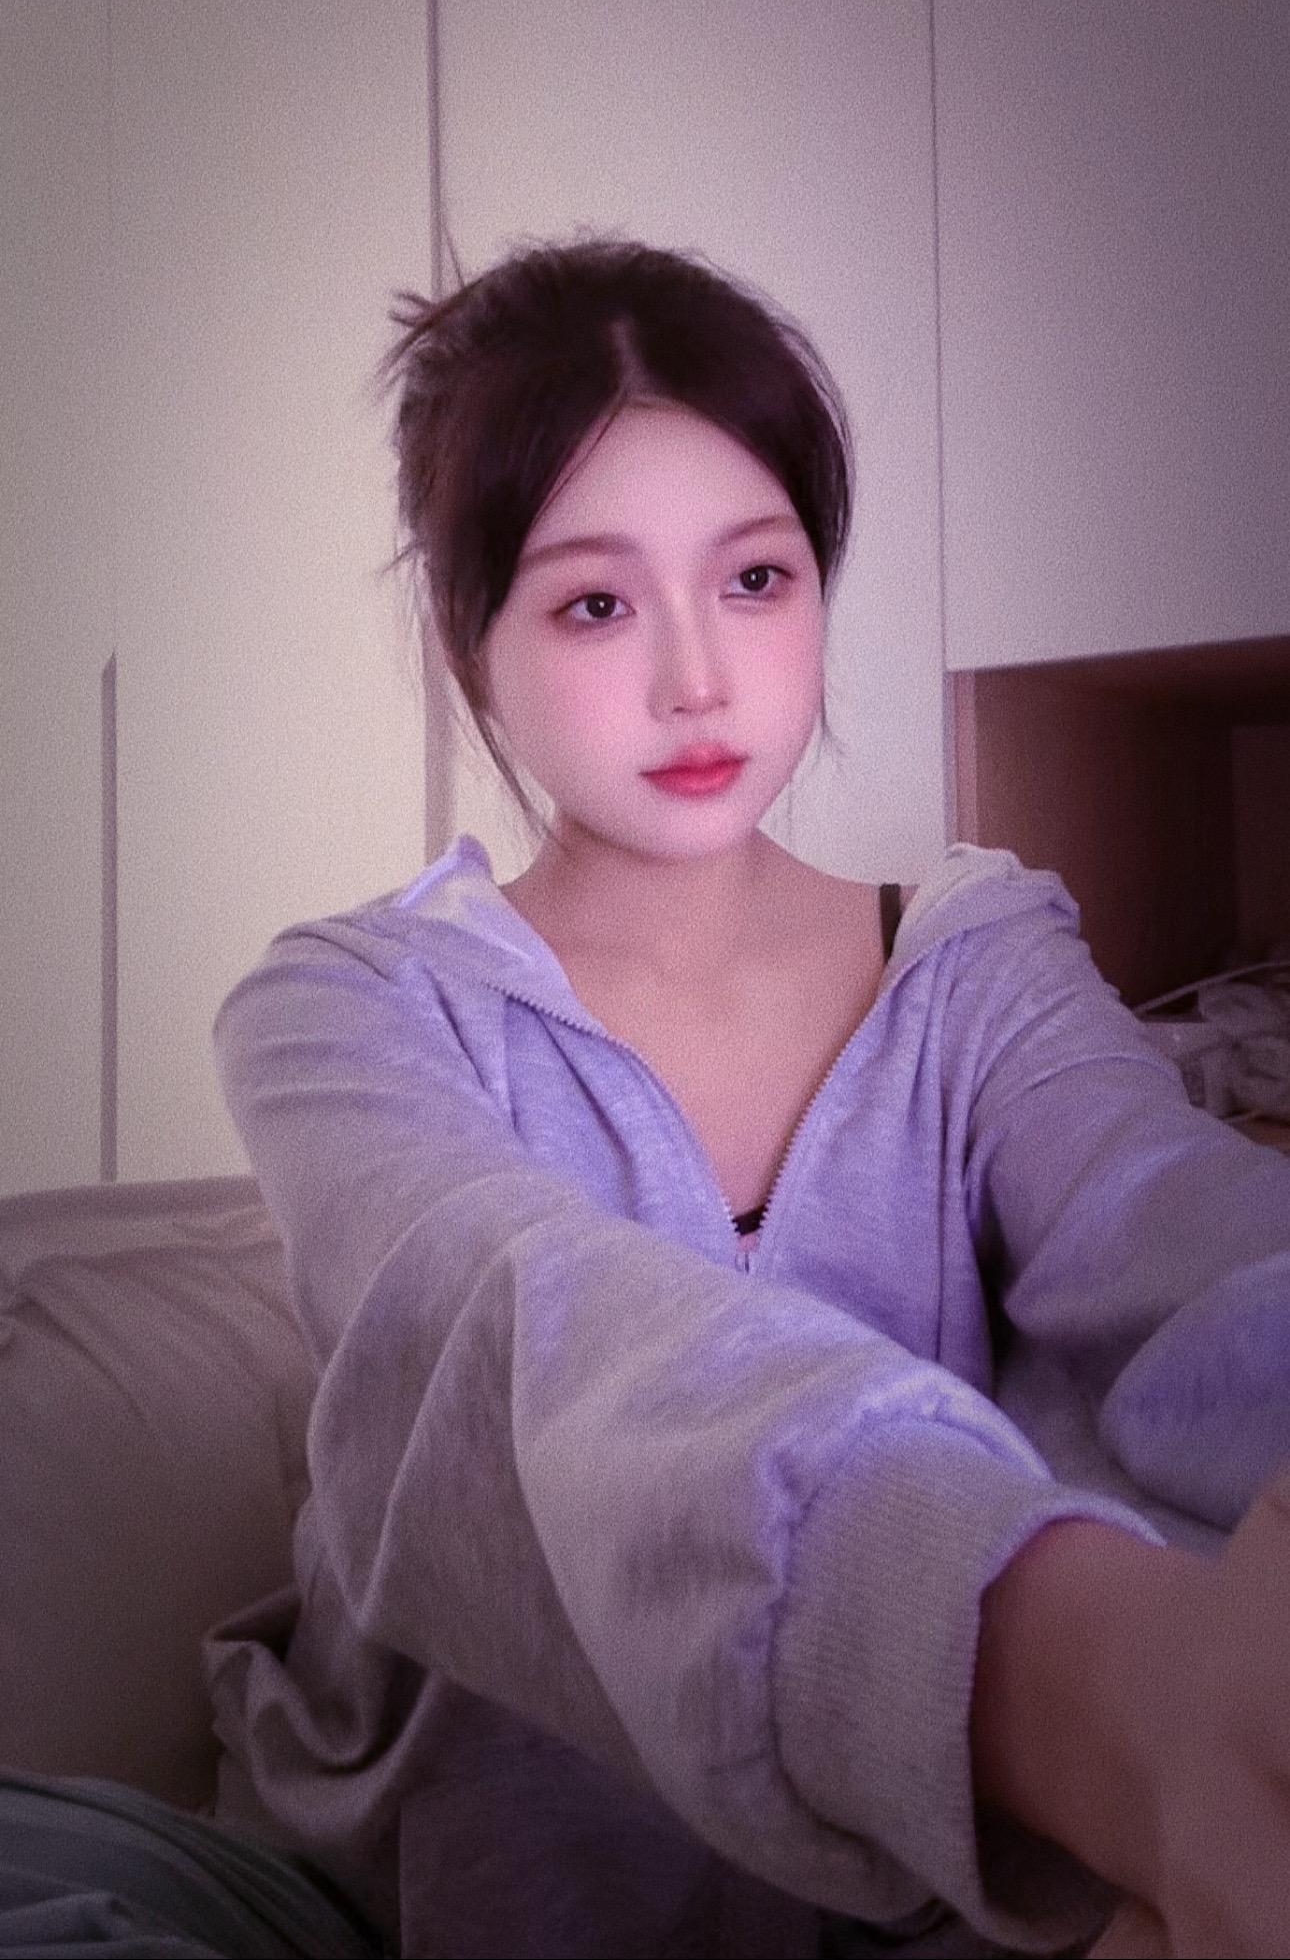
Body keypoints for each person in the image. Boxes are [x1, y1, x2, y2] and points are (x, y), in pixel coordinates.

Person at [4, 235, 1288, 1959]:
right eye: (595, 603)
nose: (696, 678)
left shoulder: (976, 964)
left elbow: (1187, 1234)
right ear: (471, 639)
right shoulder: (348, 1009)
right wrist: (1089, 1684)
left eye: (754, 578)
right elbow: (521, 1332)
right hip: (399, 1903)